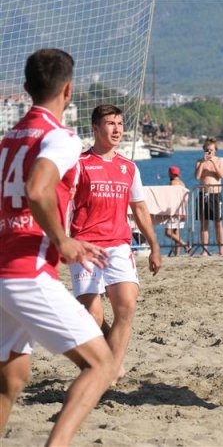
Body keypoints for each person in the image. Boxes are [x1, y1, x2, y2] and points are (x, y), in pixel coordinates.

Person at [0, 48, 115, 446]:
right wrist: (63, 239)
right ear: (68, 90)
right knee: (102, 366)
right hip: (27, 273)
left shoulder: (7, 140)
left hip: (2, 272)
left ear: (27, 88)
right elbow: (37, 188)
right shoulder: (61, 137)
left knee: (11, 378)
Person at [69, 104, 162, 384]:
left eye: (120, 123)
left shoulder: (129, 168)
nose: (117, 129)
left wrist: (154, 246)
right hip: (85, 245)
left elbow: (141, 210)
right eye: (110, 123)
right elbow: (62, 204)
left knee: (127, 306)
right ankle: (106, 362)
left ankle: (108, 374)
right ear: (96, 129)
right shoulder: (79, 164)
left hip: (119, 245)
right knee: (92, 315)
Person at [194, 137, 223, 255]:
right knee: (204, 223)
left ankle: (221, 250)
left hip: (215, 194)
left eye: (211, 150)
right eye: (207, 150)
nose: (209, 152)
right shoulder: (199, 161)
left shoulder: (220, 160)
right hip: (203, 194)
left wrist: (212, 162)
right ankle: (205, 250)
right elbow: (197, 177)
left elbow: (221, 175)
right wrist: (203, 162)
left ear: (215, 150)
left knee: (218, 223)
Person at [165, 166, 190, 255]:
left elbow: (171, 197)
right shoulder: (182, 183)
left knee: (168, 232)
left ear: (171, 173)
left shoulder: (172, 183)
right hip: (181, 209)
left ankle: (185, 245)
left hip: (174, 210)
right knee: (176, 232)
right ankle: (177, 253)